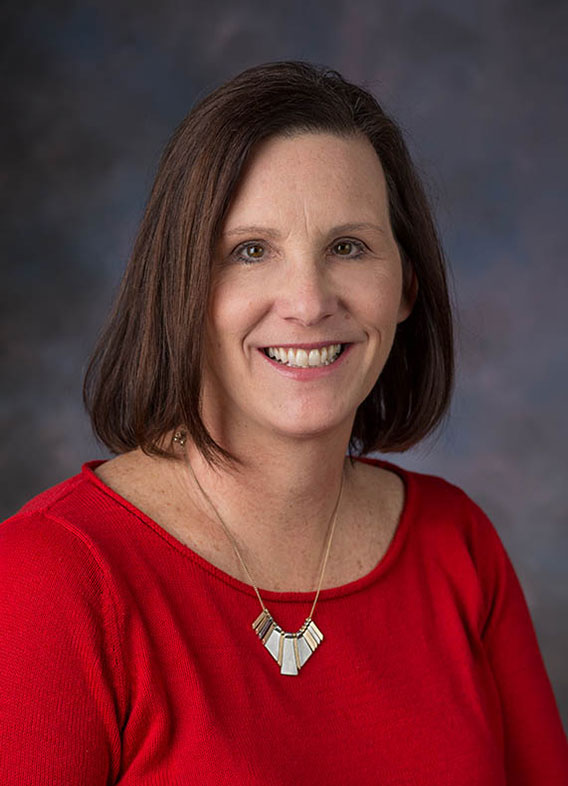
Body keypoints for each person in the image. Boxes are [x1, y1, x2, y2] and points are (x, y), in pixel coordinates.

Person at [1, 61, 566, 785]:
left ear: (406, 286)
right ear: (182, 288)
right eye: (250, 251)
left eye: (348, 247)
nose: (307, 301)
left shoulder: (459, 549)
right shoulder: (49, 582)